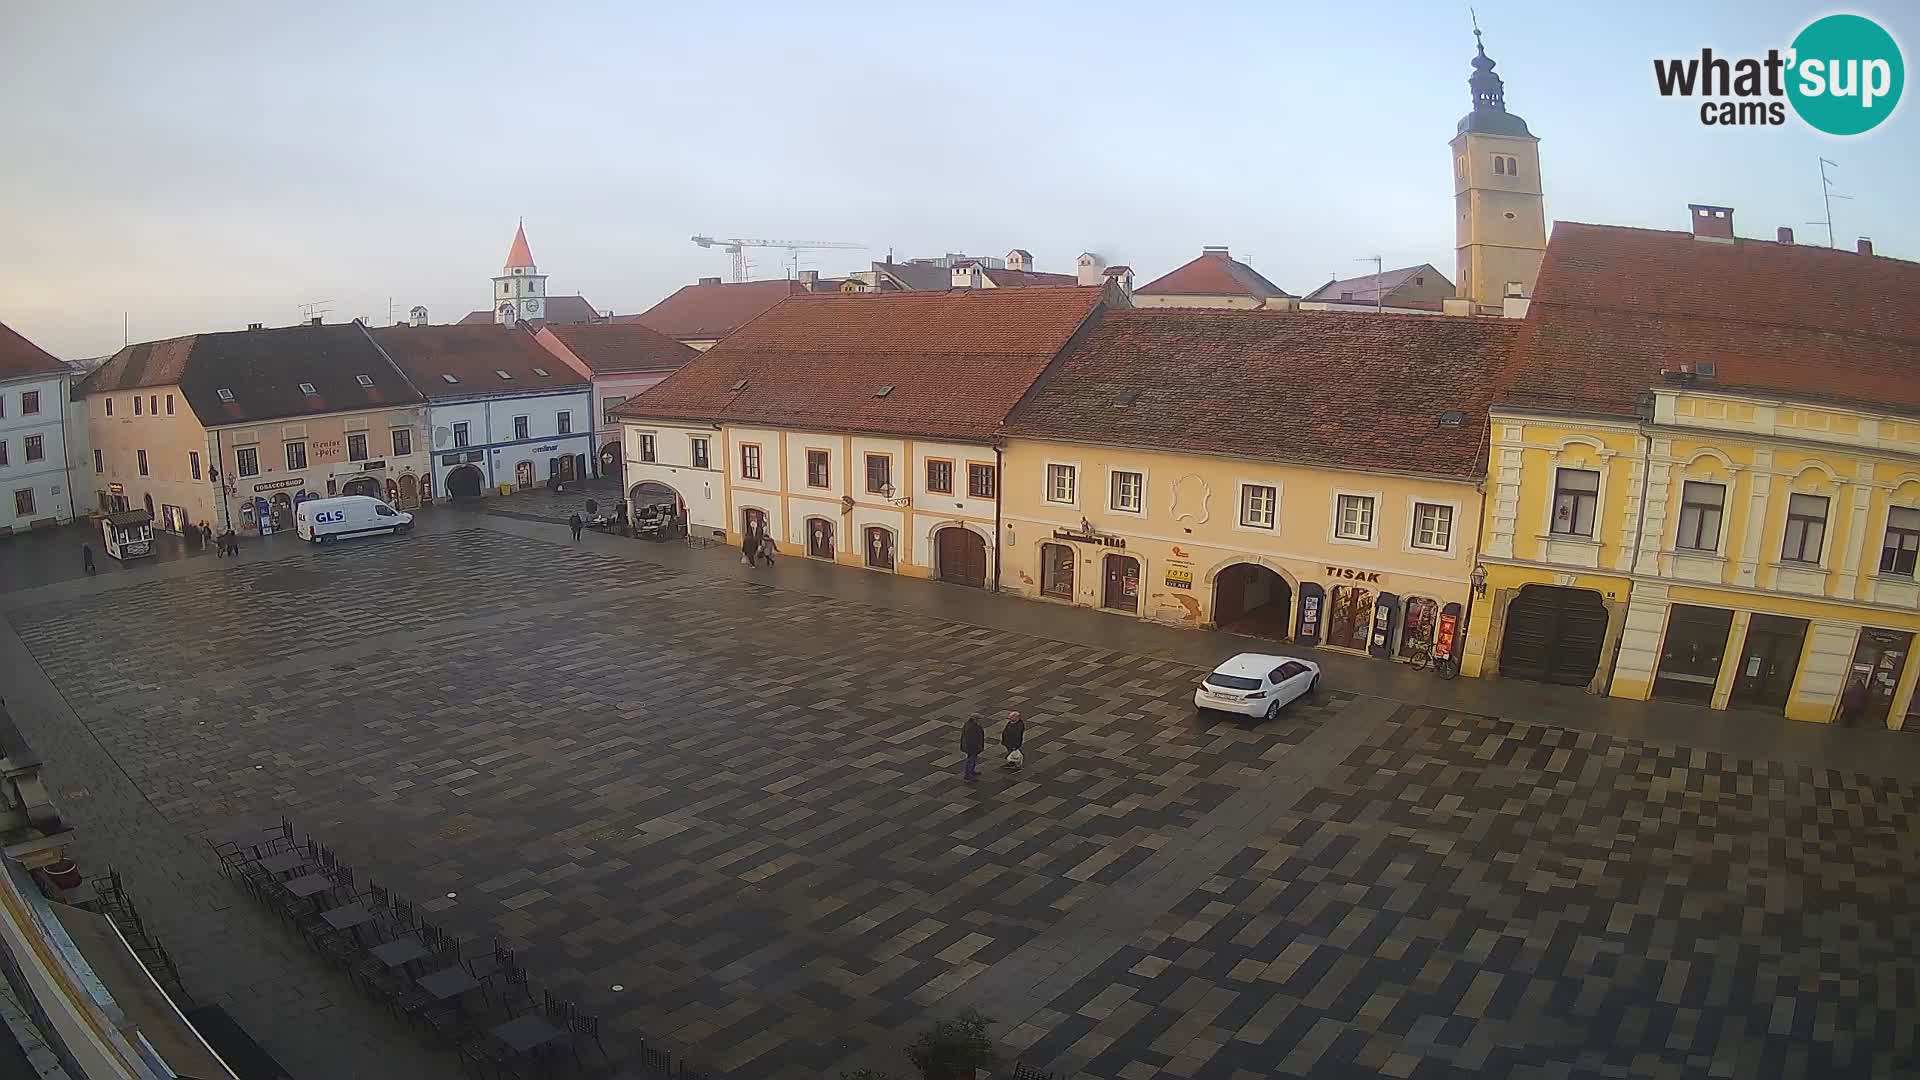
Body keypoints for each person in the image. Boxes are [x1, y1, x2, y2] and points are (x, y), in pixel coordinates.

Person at [961, 715, 986, 782]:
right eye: (979, 719)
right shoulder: (972, 727)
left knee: (973, 760)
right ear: (975, 719)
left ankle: (971, 771)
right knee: (970, 761)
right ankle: (968, 775)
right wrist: (977, 748)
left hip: (973, 747)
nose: (980, 721)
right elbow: (971, 740)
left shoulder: (972, 725)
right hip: (972, 748)